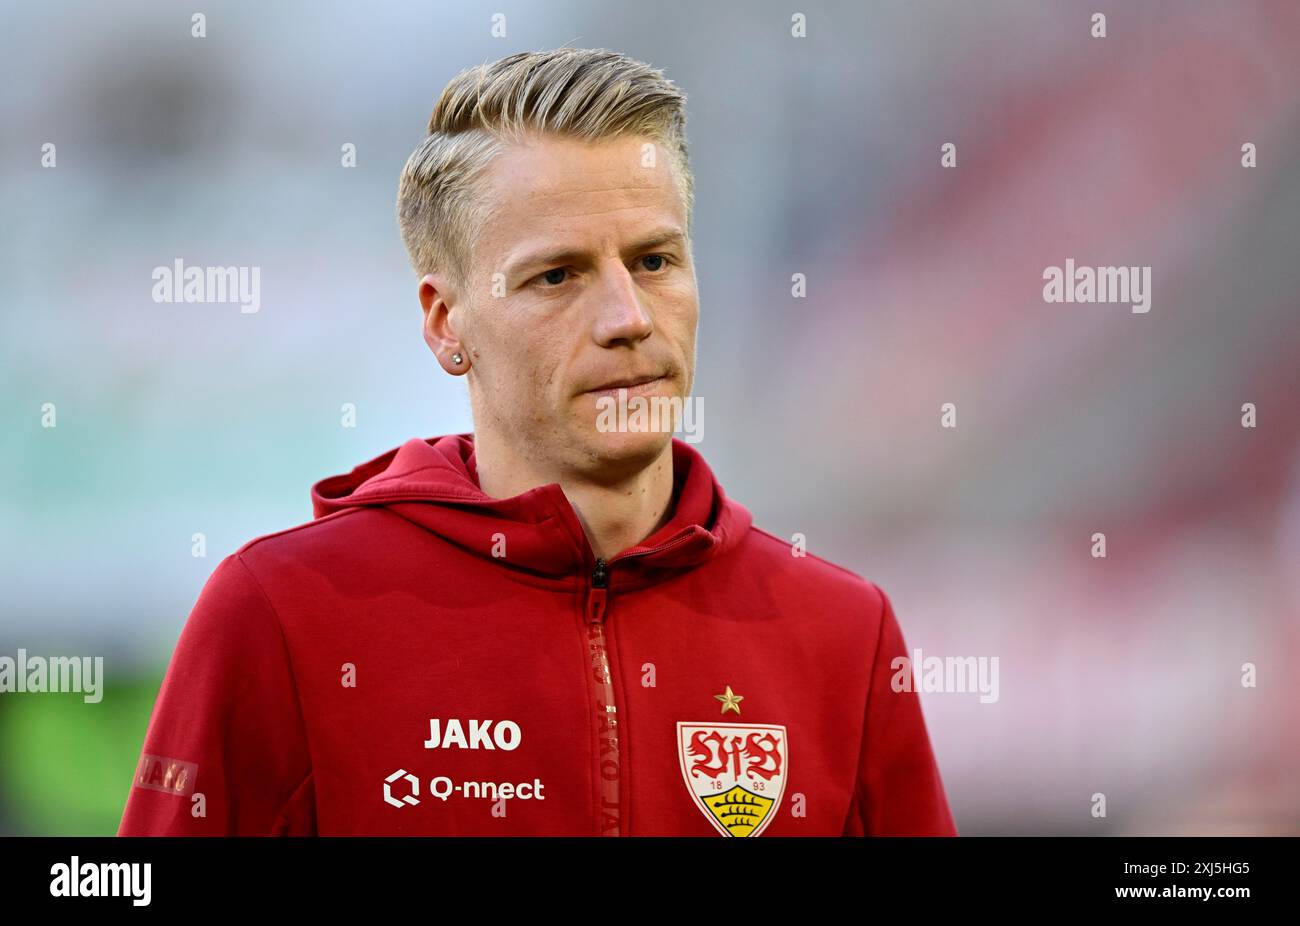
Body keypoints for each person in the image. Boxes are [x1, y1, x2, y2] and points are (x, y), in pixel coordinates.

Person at [117, 47, 956, 837]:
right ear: (447, 323)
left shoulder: (844, 632)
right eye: (557, 275)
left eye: (656, 261)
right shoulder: (278, 614)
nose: (629, 319)